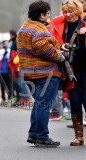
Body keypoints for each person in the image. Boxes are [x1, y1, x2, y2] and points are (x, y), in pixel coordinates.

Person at [17, 1, 65, 147]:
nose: (49, 16)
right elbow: (42, 48)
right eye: (48, 14)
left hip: (29, 73)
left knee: (38, 104)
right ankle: (42, 136)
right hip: (46, 73)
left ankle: (33, 134)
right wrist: (59, 56)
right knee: (44, 105)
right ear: (41, 14)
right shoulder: (39, 29)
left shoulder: (24, 28)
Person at [49, 0, 86, 146]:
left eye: (71, 11)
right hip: (69, 69)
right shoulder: (57, 25)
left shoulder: (84, 24)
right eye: (65, 12)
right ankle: (79, 136)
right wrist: (60, 46)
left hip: (85, 68)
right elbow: (51, 42)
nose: (68, 14)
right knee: (75, 101)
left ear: (78, 11)